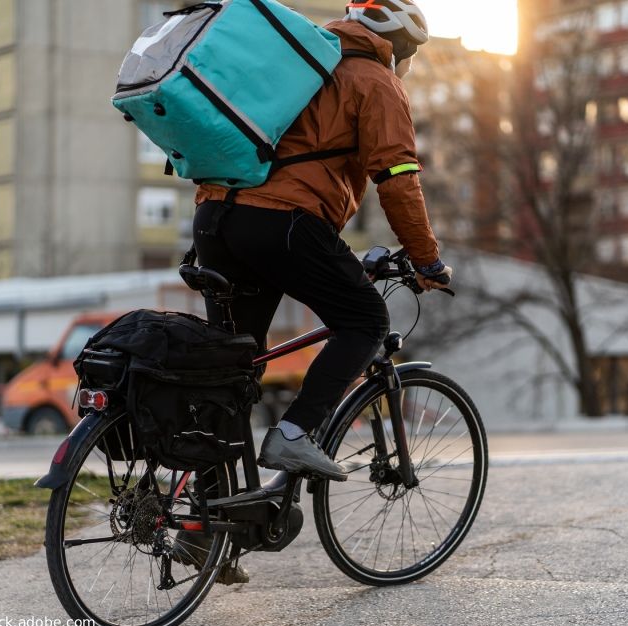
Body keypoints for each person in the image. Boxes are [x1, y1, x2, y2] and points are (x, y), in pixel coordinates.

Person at [174, 0, 452, 581]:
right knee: (365, 320)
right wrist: (426, 260)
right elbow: (398, 179)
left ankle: (206, 531)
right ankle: (295, 432)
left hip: (214, 218)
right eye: (410, 54)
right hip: (284, 221)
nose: (407, 64)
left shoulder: (297, 65)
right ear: (396, 44)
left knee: (232, 371)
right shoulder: (372, 80)